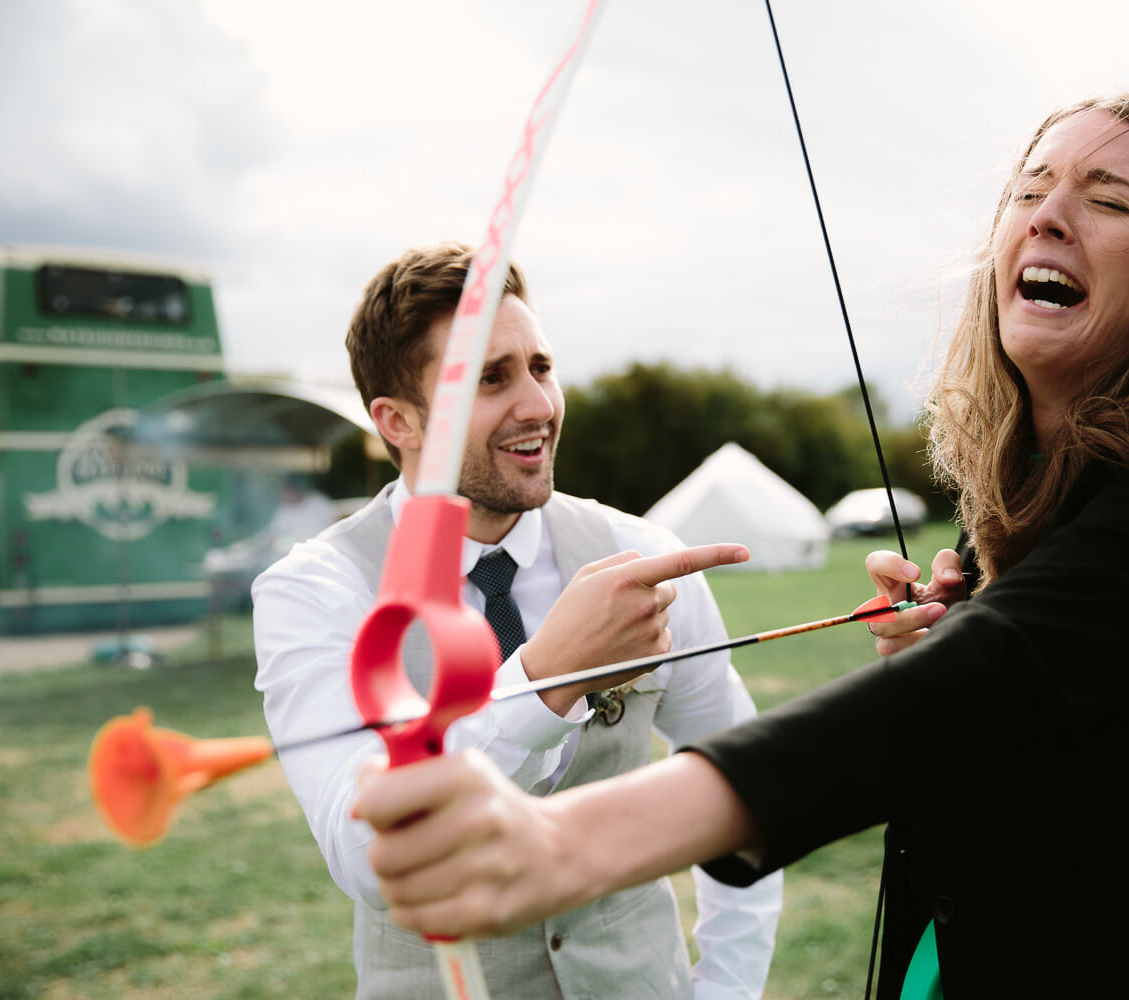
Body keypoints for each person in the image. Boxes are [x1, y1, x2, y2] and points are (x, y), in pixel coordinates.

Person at [349, 95, 1129, 998]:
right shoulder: (1029, 481)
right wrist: (942, 642)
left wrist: (567, 843)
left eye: (1107, 199)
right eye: (1028, 190)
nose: (1049, 214)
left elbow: (1006, 669)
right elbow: (1017, 701)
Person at [252, 243, 782, 1000]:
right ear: (397, 421)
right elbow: (365, 853)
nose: (539, 404)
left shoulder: (644, 557)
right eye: (490, 379)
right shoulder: (314, 589)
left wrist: (727, 990)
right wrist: (543, 681)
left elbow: (745, 788)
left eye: (539, 366)